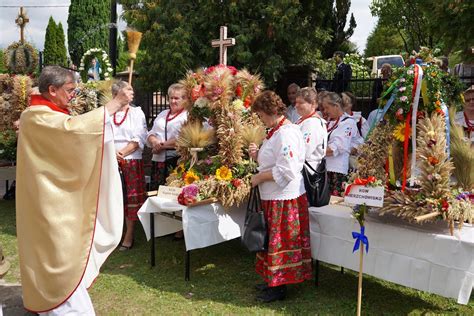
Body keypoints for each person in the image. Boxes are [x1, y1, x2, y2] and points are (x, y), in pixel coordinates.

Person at [16, 66, 132, 314]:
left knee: (58, 256)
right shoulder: (36, 115)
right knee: (59, 256)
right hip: (49, 205)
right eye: (69, 90)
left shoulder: (45, 113)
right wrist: (114, 105)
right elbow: (74, 131)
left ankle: (57, 300)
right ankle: (59, 302)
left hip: (50, 198)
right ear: (52, 90)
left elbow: (73, 132)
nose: (73, 95)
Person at [248, 91, 311, 303]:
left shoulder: (286, 133)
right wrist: (257, 155)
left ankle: (279, 287)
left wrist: (258, 178)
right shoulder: (275, 131)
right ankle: (272, 281)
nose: (260, 119)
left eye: (260, 115)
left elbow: (288, 170)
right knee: (271, 241)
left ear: (269, 112)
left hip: (284, 199)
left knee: (280, 242)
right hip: (273, 197)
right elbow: (273, 159)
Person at [111, 81, 148, 251]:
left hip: (130, 160)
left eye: (131, 91)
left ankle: (129, 234)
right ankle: (114, 233)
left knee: (130, 198)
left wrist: (122, 153)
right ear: (116, 95)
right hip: (109, 160)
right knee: (113, 198)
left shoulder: (136, 113)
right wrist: (112, 154)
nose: (131, 94)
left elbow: (139, 137)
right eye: (127, 91)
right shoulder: (107, 113)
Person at [147, 83, 189, 190]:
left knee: (172, 193)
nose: (173, 101)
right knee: (156, 191)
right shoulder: (162, 114)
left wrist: (162, 145)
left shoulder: (187, 115)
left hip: (176, 161)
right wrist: (154, 142)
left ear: (184, 99)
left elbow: (184, 138)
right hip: (158, 160)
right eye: (171, 98)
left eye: (176, 98)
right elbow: (151, 132)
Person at [321, 92, 356, 196]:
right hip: (324, 168)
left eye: (327, 108)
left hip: (337, 170)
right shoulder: (329, 121)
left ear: (336, 106)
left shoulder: (348, 123)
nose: (325, 111)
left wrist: (312, 153)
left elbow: (336, 148)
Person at [294, 87, 327, 172]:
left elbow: (304, 152)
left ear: (312, 104)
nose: (296, 105)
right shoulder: (302, 119)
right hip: (299, 168)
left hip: (306, 171)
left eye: (301, 102)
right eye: (296, 102)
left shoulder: (313, 124)